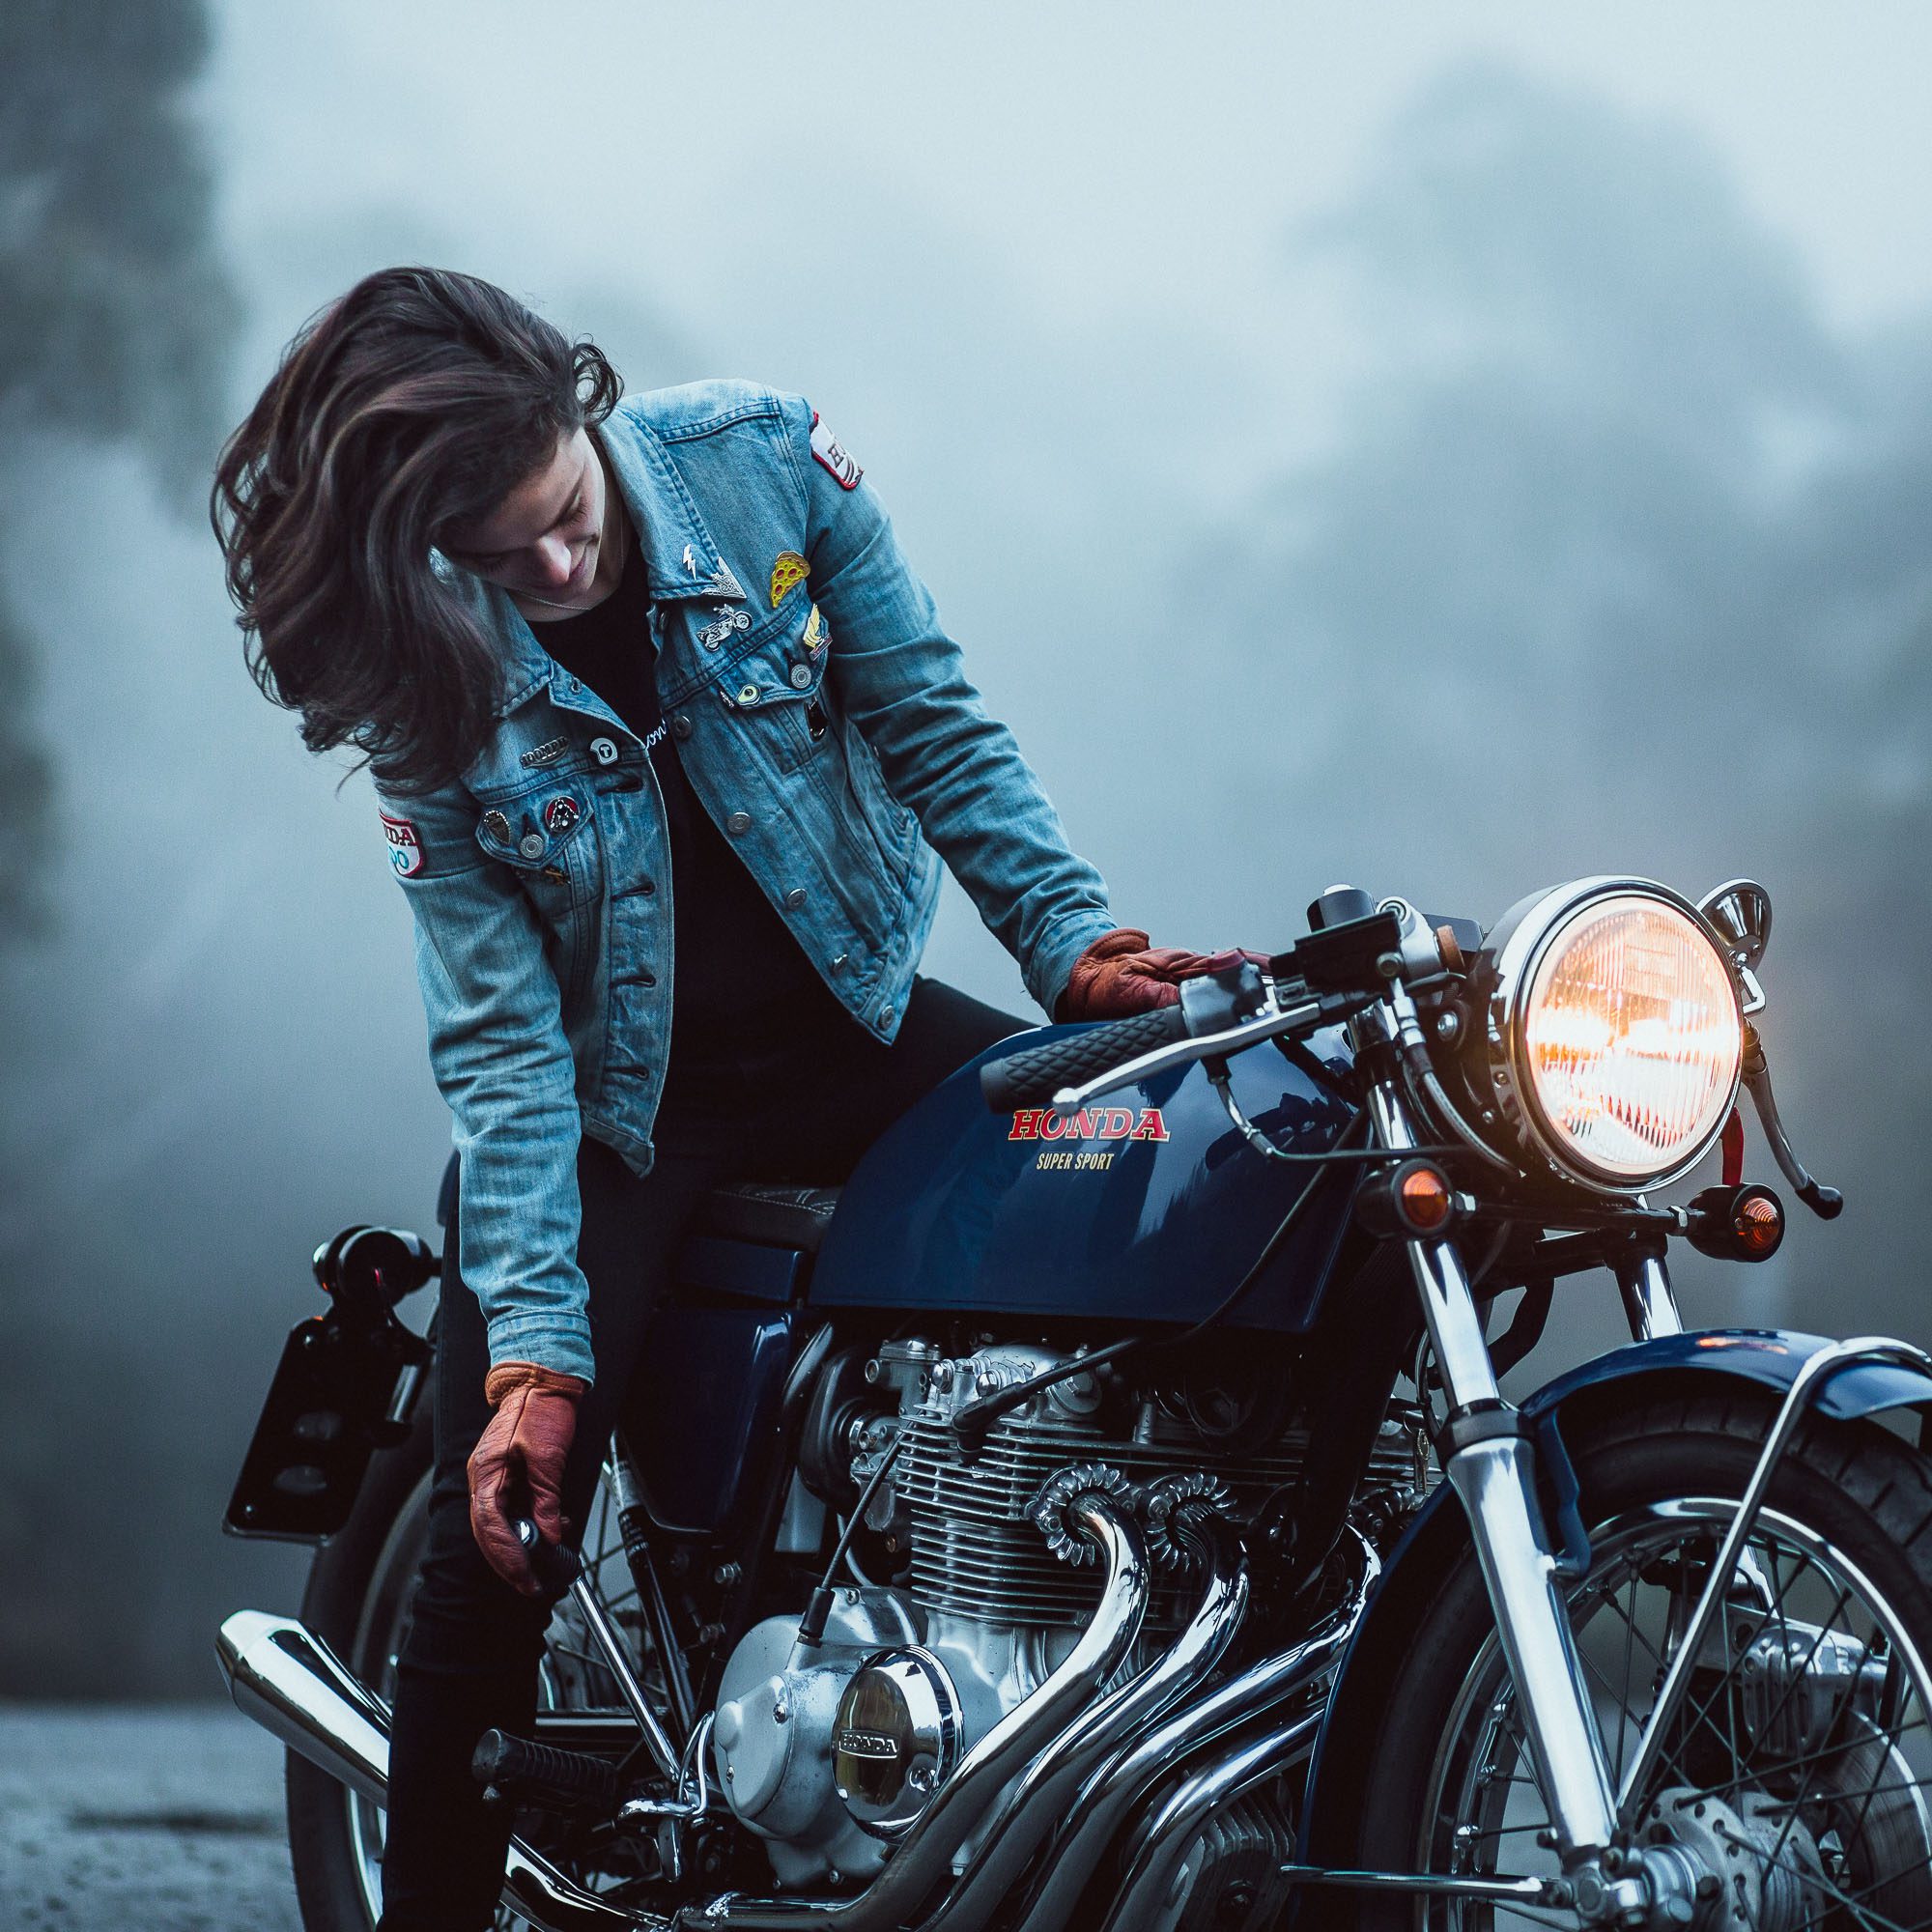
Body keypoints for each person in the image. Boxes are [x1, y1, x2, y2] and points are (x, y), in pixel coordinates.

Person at [212, 265, 1245, 1931]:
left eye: (559, 513)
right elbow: (500, 1045)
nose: (553, 570)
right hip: (624, 1117)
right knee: (501, 1537)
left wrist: (1073, 952)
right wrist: (536, 1357)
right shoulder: (430, 677)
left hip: (862, 1029)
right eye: (497, 558)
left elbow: (936, 725)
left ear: (583, 402)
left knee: (1167, 1180)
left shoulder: (768, 465)